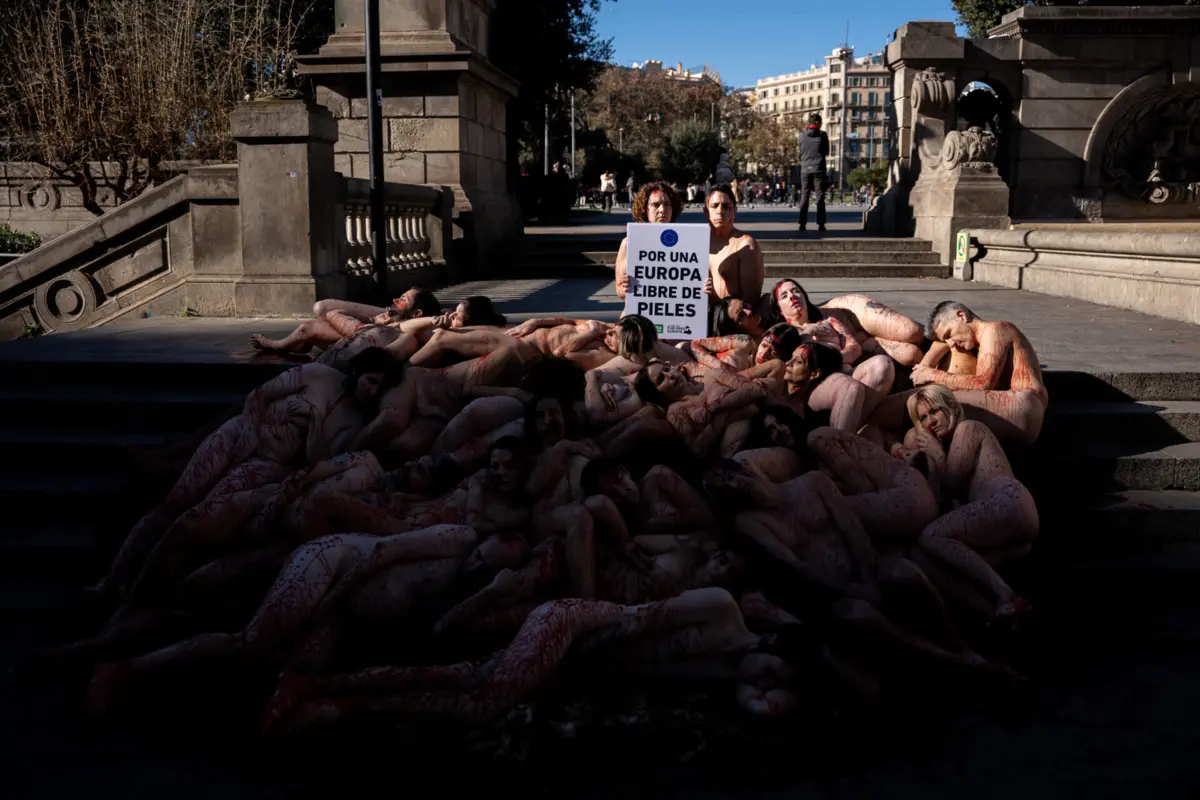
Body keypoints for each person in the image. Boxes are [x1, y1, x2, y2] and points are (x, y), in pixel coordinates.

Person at [91, 350, 399, 603]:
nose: (371, 391)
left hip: (270, 463)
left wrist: (315, 423)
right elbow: (258, 395)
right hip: (240, 434)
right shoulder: (318, 374)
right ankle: (111, 580)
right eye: (370, 381)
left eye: (378, 389)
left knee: (201, 516)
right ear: (358, 371)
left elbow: (316, 462)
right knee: (175, 501)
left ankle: (145, 590)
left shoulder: (355, 422)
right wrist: (248, 434)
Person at [901, 386, 1038, 624]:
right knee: (923, 559)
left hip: (1007, 501)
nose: (930, 421)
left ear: (952, 407)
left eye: (935, 411)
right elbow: (941, 500)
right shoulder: (948, 448)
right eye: (923, 417)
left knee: (930, 537)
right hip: (1002, 519)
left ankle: (1006, 595)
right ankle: (990, 612)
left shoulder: (968, 428)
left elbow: (953, 481)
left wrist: (936, 454)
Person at [911, 301, 1048, 445]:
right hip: (1011, 407)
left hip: (1023, 404)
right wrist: (924, 365)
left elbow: (983, 383)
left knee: (930, 400)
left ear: (962, 316)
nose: (950, 343)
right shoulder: (974, 340)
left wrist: (931, 374)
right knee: (915, 432)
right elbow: (940, 342)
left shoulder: (995, 329)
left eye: (949, 334)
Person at [250, 287, 441, 354]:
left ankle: (279, 345)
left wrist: (372, 320)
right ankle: (304, 342)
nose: (395, 301)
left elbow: (335, 315)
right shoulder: (402, 317)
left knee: (310, 326)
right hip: (377, 327)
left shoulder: (408, 330)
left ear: (417, 314)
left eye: (402, 300)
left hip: (369, 336)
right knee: (321, 310)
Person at [614, 181, 684, 300]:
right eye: (656, 205)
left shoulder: (686, 243)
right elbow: (620, 290)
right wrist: (625, 289)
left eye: (667, 204)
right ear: (645, 209)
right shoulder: (629, 243)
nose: (662, 209)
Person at [704, 185, 765, 306]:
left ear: (734, 211)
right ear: (706, 211)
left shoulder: (745, 245)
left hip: (729, 320)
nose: (720, 211)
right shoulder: (697, 242)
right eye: (714, 206)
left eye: (726, 206)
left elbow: (750, 300)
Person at [798, 113, 830, 232]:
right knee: (820, 196)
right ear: (817, 122)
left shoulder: (801, 136)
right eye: (820, 122)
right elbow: (826, 151)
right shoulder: (823, 135)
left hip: (805, 169)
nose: (821, 125)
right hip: (819, 169)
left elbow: (801, 152)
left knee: (804, 196)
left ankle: (802, 224)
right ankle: (821, 224)